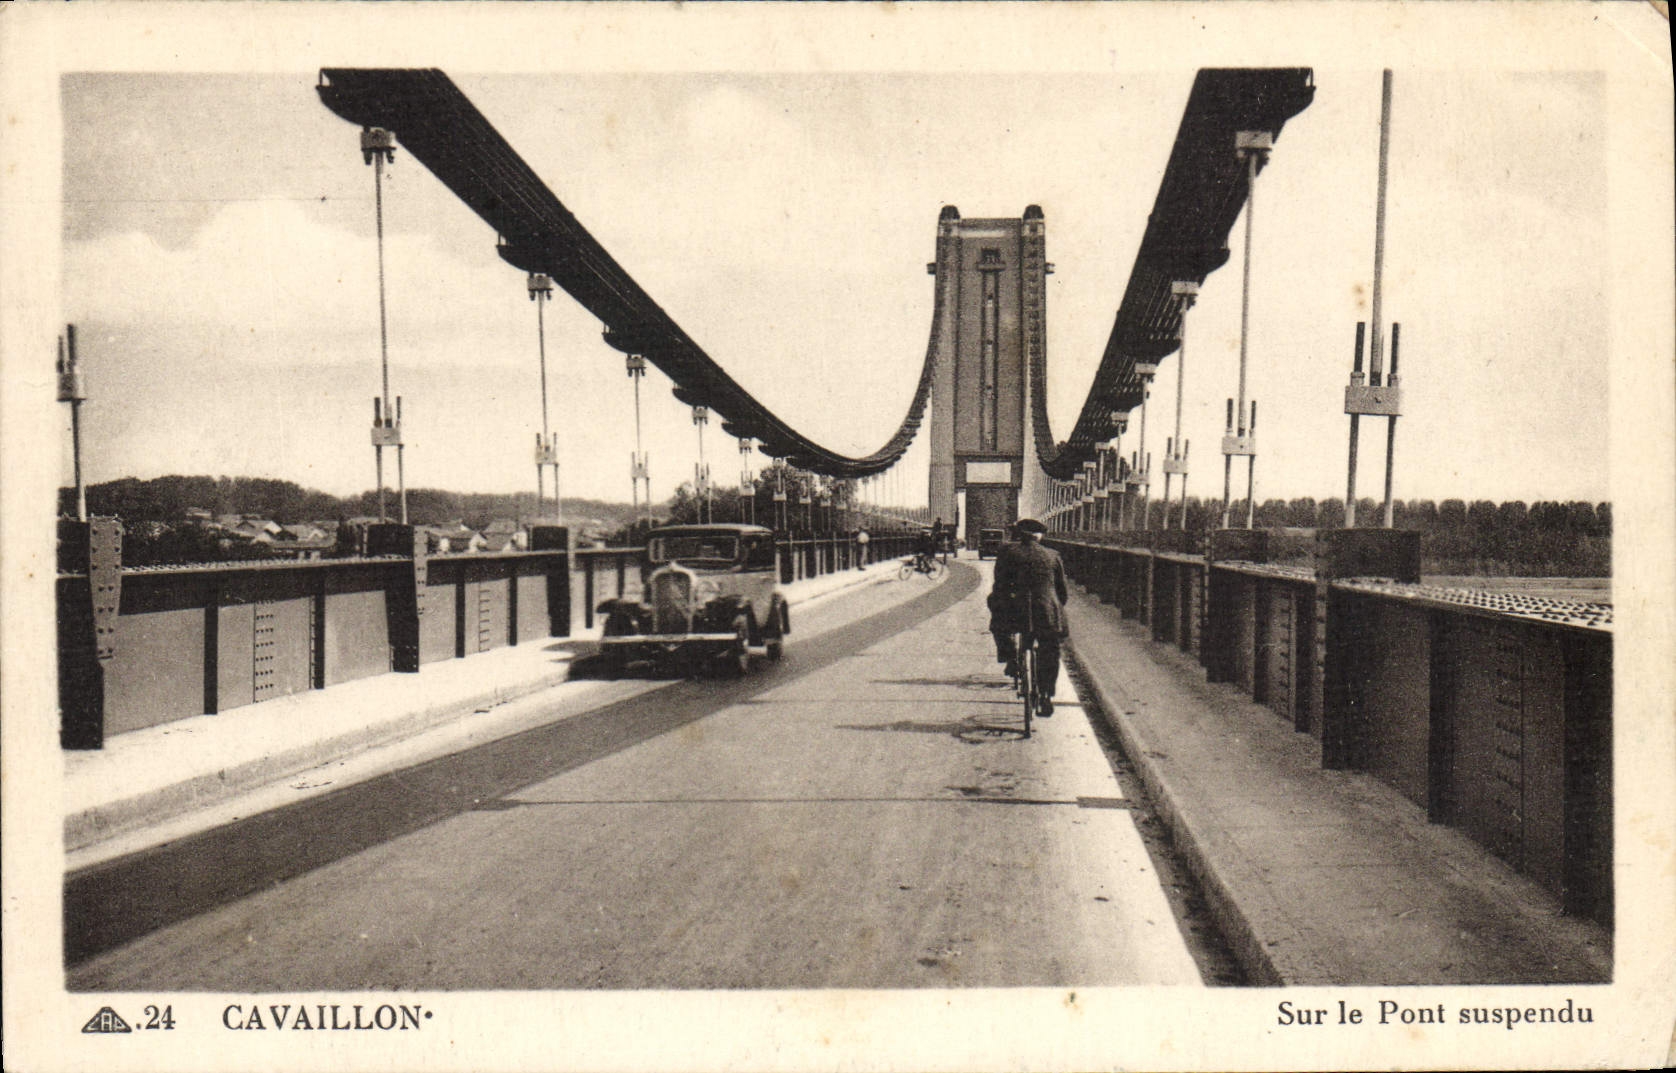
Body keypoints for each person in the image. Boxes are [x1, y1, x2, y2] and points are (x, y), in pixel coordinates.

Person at [987, 517, 1069, 716]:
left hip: (1015, 609)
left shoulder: (1007, 551)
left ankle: (1011, 658)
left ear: (1020, 535)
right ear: (1039, 537)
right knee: (1050, 649)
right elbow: (1062, 592)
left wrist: (999, 600)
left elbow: (999, 583)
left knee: (997, 619)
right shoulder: (1053, 555)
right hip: (1046, 612)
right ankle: (1046, 695)